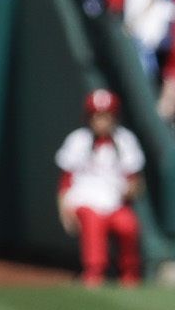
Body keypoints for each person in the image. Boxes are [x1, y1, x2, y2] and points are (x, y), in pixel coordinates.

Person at [54, 87, 146, 286]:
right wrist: (64, 211)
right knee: (93, 221)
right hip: (84, 201)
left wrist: (131, 189)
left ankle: (130, 274)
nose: (101, 121)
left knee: (128, 224)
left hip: (114, 203)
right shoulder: (78, 140)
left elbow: (135, 180)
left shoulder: (125, 140)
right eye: (97, 116)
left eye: (106, 116)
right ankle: (94, 273)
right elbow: (65, 181)